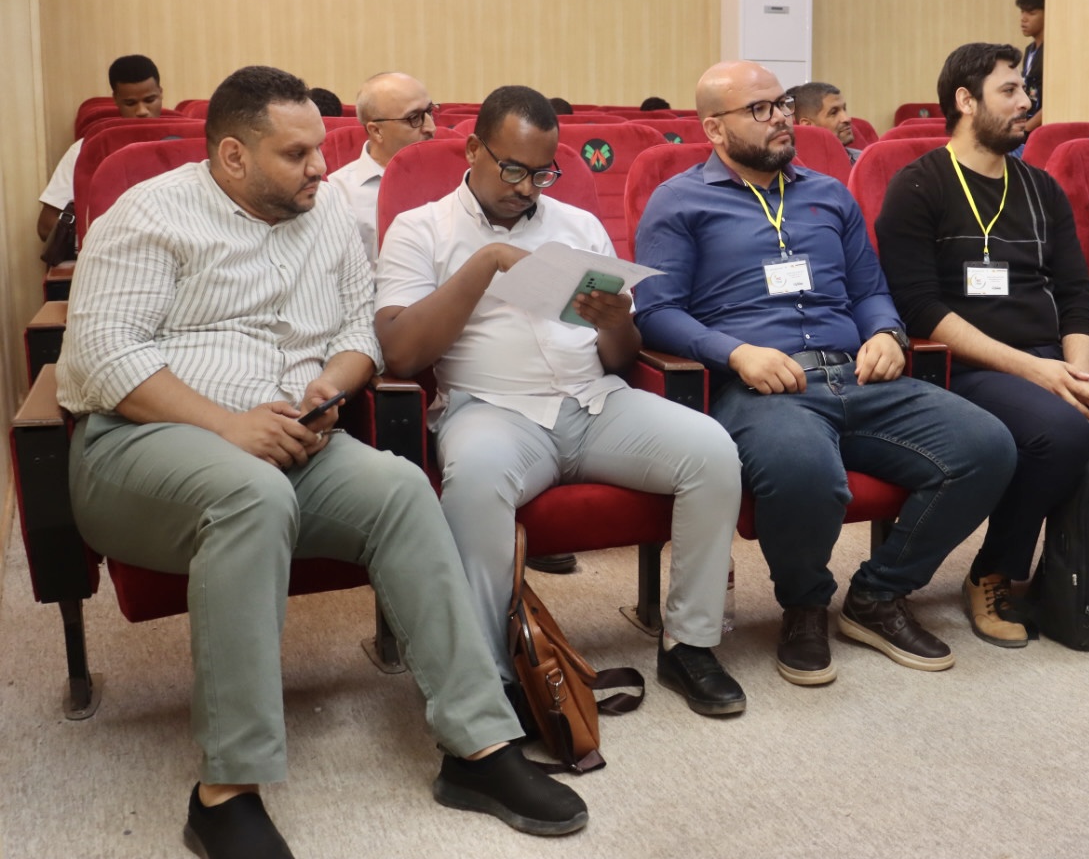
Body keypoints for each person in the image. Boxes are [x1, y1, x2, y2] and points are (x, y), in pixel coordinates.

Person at [56, 66, 588, 857]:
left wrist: (330, 386)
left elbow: (358, 332)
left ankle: (477, 747)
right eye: (296, 154)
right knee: (251, 495)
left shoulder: (328, 211)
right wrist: (229, 426)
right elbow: (103, 356)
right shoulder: (149, 214)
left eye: (319, 149)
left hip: (293, 439)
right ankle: (225, 791)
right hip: (141, 445)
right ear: (233, 156)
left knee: (401, 488)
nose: (319, 167)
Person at [634, 60, 1016, 685]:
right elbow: (655, 311)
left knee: (988, 446)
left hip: (855, 374)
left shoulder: (829, 194)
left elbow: (869, 291)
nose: (781, 117)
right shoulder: (680, 201)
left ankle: (878, 595)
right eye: (759, 109)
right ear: (714, 128)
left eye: (782, 103)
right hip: (761, 386)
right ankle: (805, 606)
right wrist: (736, 353)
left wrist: (887, 332)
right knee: (804, 469)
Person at [374, 85, 747, 718]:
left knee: (713, 451)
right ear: (473, 150)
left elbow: (620, 357)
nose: (527, 187)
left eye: (542, 173)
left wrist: (615, 323)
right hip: (493, 410)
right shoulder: (420, 229)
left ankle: (690, 643)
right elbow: (403, 354)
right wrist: (488, 262)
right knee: (475, 481)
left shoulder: (578, 227)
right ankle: (491, 675)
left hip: (594, 402)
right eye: (512, 170)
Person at [875, 44, 1089, 643]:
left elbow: (1077, 297)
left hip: (1058, 361)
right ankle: (994, 572)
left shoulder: (1040, 188)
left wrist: (1078, 374)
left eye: (1026, 90)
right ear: (965, 101)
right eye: (1009, 90)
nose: (1026, 102)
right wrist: (1040, 375)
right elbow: (921, 309)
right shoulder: (919, 184)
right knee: (1059, 431)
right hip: (969, 367)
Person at [38, 54, 164, 242]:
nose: (142, 111)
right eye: (130, 103)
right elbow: (46, 225)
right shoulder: (87, 150)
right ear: (116, 100)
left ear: (160, 94)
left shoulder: (183, 144)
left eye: (150, 100)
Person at [327, 71, 438, 264]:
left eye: (430, 112)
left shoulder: (456, 179)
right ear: (376, 131)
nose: (431, 128)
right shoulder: (337, 194)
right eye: (414, 118)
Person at [786, 81, 859, 164]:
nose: (847, 119)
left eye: (844, 109)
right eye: (833, 113)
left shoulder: (864, 161)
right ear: (807, 125)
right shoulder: (795, 167)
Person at [1015, 0, 1044, 130]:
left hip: (1040, 128)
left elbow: (1056, 100)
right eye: (1022, 12)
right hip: (1027, 121)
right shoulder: (1029, 50)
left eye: (1031, 13)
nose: (1023, 19)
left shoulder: (1053, 52)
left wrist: (1026, 129)